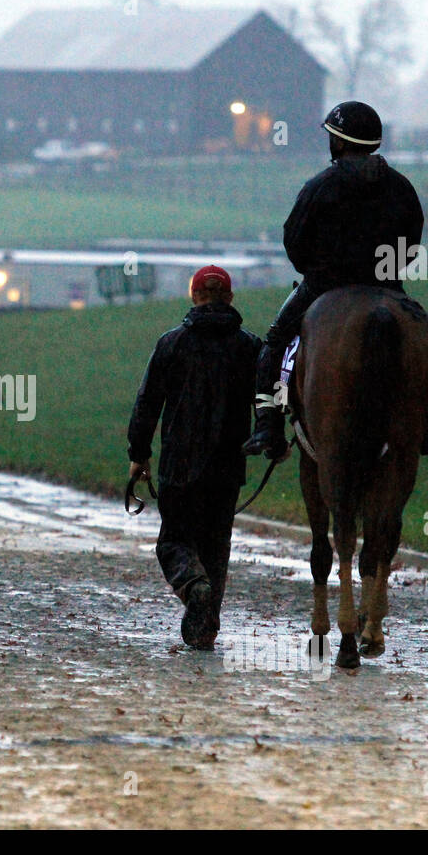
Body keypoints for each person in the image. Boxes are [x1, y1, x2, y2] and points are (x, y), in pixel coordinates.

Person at [243, 101, 428, 461]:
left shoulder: (320, 186)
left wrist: (313, 270)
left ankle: (268, 423)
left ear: (339, 143)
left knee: (276, 341)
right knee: (422, 335)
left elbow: (294, 239)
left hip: (326, 284)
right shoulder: (401, 186)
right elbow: (412, 239)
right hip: (386, 284)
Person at [127, 266, 261, 650]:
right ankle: (205, 630)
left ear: (193, 296)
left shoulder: (172, 343)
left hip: (180, 465)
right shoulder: (250, 347)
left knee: (174, 542)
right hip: (228, 466)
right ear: (230, 299)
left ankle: (193, 587)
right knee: (216, 545)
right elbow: (267, 401)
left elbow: (147, 402)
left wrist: (139, 454)